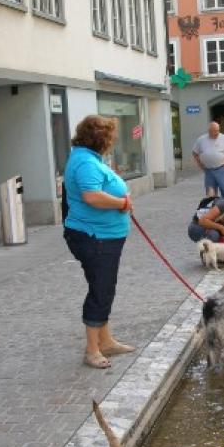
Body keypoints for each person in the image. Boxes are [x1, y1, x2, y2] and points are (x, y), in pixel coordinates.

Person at [64, 115, 136, 370]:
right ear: (99, 138)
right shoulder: (85, 162)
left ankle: (106, 341)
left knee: (103, 287)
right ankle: (92, 349)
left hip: (103, 236)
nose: (112, 141)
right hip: (95, 237)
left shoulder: (88, 158)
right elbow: (92, 197)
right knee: (101, 290)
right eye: (110, 137)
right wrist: (122, 203)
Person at [192, 122, 224, 199]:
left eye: (217, 130)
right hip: (208, 170)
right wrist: (200, 164)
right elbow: (195, 152)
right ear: (209, 131)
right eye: (214, 131)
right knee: (210, 193)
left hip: (221, 169)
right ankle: (213, 205)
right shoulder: (201, 140)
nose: (216, 133)